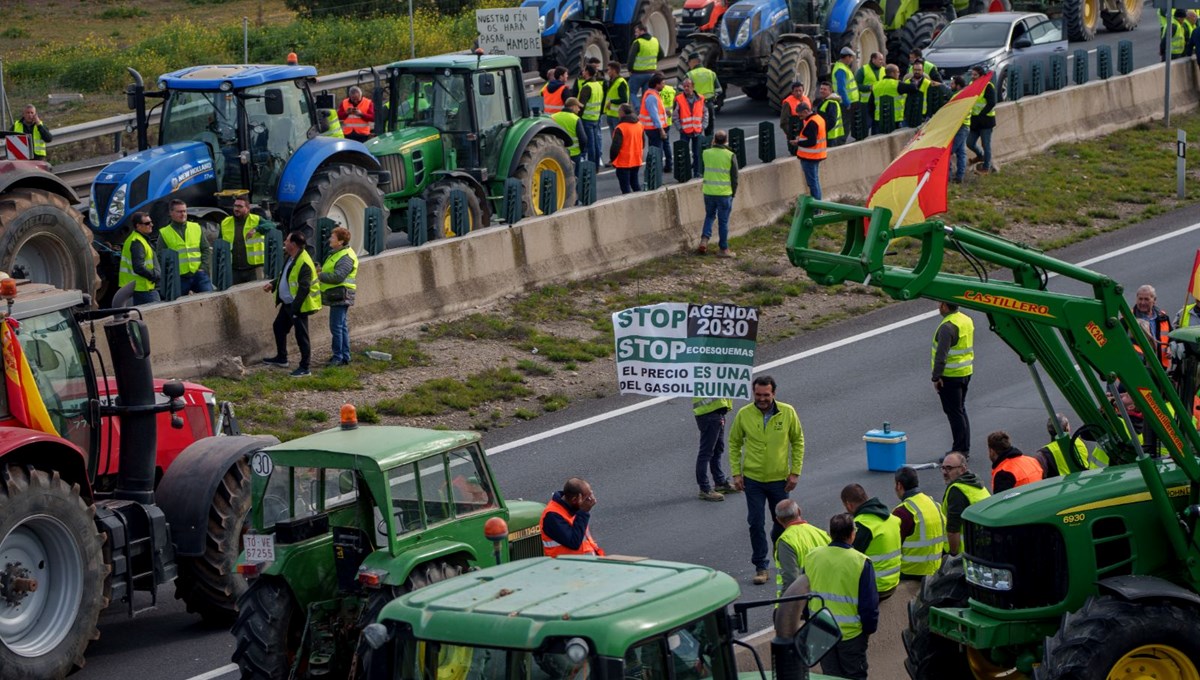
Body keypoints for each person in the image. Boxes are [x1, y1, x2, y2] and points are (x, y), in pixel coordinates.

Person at [729, 375, 805, 585]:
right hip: (753, 480)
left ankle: (783, 561)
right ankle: (761, 566)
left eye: (766, 395)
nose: (761, 399)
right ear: (753, 393)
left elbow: (798, 441)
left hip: (780, 480)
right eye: (758, 395)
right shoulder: (744, 414)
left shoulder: (787, 412)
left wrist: (795, 472)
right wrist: (736, 473)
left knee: (781, 525)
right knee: (755, 522)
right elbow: (734, 443)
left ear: (774, 393)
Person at [806, 513, 878, 680]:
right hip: (851, 635)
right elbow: (869, 604)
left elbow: (804, 594)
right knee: (855, 675)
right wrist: (869, 630)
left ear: (830, 533)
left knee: (831, 676)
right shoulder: (861, 562)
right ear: (853, 534)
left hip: (821, 630)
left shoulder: (812, 556)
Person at [262, 230, 321, 377]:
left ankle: (305, 367)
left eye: (287, 240)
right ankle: (282, 358)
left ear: (293, 244)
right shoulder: (291, 257)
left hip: (299, 306)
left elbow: (304, 287)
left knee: (302, 336)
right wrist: (274, 284)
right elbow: (286, 276)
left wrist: (295, 308)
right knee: (278, 327)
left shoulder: (304, 262)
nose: (284, 242)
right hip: (289, 303)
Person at [841, 483, 901, 600]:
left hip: (876, 588)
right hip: (893, 582)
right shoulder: (891, 518)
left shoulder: (862, 525)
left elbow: (848, 556)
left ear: (849, 505)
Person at [933, 301, 974, 456]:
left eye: (940, 304)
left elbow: (941, 355)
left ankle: (960, 450)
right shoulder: (966, 319)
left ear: (944, 306)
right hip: (965, 372)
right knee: (960, 410)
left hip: (950, 376)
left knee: (954, 413)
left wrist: (936, 377)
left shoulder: (947, 327)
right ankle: (963, 447)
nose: (938, 307)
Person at [892, 466, 946, 578]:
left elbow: (893, 545)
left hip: (911, 571)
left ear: (899, 485)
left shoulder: (903, 511)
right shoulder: (934, 504)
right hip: (935, 568)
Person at [318, 226, 358, 367]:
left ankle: (338, 357)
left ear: (340, 241)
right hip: (339, 294)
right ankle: (344, 356)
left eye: (333, 237)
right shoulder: (337, 253)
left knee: (336, 327)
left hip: (341, 295)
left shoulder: (345, 257)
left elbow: (338, 276)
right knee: (341, 327)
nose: (330, 239)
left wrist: (320, 275)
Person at [773, 499, 830, 597]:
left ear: (778, 519)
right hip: (825, 595)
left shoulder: (786, 541)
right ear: (799, 511)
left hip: (802, 601)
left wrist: (782, 607)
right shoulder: (822, 533)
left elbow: (790, 579)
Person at [540, 477, 605, 557]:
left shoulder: (574, 508)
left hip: (585, 563)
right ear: (574, 500)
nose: (591, 500)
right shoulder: (552, 516)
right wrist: (583, 512)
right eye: (587, 498)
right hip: (566, 566)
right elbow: (573, 542)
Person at [160, 199, 214, 295]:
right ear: (171, 213)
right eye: (179, 212)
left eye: (184, 211)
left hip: (199, 274)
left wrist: (203, 267)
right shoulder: (164, 233)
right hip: (179, 278)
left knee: (211, 299)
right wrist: (172, 274)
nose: (183, 214)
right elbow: (161, 257)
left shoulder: (196, 227)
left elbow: (205, 249)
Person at [940, 452, 988, 556]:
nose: (944, 472)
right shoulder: (976, 483)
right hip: (984, 544)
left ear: (962, 469)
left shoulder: (957, 491)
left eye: (949, 468)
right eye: (943, 468)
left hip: (966, 551)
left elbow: (953, 529)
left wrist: (953, 554)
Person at [699, 130, 738, 258]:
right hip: (724, 193)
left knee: (709, 216)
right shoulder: (730, 155)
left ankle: (704, 239)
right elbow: (734, 177)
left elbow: (700, 169)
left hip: (708, 191)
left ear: (714, 140)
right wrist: (733, 193)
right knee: (723, 221)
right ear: (726, 141)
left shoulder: (706, 153)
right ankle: (723, 248)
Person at [693, 395, 736, 501]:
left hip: (717, 411)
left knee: (718, 449)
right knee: (706, 452)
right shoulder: (704, 377)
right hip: (708, 413)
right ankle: (705, 489)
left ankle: (720, 482)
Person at [220, 196, 265, 285]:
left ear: (247, 209)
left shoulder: (256, 219)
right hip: (234, 270)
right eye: (235, 206)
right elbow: (219, 242)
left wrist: (256, 229)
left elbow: (271, 225)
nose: (236, 209)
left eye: (240, 206)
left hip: (253, 269)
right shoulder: (225, 222)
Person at [119, 211, 160, 305]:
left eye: (151, 222)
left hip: (137, 287)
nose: (151, 225)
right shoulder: (137, 242)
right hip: (143, 288)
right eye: (147, 223)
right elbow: (138, 267)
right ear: (138, 226)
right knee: (156, 314)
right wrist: (155, 275)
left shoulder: (137, 239)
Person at [1034, 413, 1090, 478]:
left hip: (1063, 485)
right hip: (1084, 479)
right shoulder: (1078, 442)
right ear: (1067, 428)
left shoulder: (1043, 453)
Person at [673, 78, 708, 176]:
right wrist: (680, 128)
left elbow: (705, 113)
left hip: (697, 130)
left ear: (693, 86)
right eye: (684, 86)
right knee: (684, 153)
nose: (686, 88)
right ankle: (685, 174)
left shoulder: (701, 98)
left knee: (697, 153)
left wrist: (703, 126)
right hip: (685, 131)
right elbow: (675, 115)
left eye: (688, 86)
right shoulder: (679, 99)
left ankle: (697, 172)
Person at [1133, 284, 1172, 370]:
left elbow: (1171, 337)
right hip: (1139, 368)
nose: (1142, 302)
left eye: (1146, 299)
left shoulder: (1163, 317)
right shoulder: (1129, 318)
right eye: (1140, 299)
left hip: (1160, 368)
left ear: (1154, 300)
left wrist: (1170, 347)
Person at [967, 65, 997, 174]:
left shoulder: (988, 86)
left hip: (986, 121)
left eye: (975, 75)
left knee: (986, 145)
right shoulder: (971, 84)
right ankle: (980, 156)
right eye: (972, 74)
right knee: (970, 142)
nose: (973, 77)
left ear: (981, 75)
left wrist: (981, 113)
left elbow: (992, 103)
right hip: (975, 121)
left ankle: (986, 167)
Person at [639, 72, 671, 173]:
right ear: (656, 84)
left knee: (655, 150)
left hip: (652, 128)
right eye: (662, 83)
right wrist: (661, 130)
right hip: (654, 129)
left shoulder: (653, 94)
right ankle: (656, 171)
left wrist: (665, 112)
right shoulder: (652, 97)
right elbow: (654, 115)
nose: (664, 85)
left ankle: (654, 169)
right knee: (657, 151)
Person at [793, 102, 826, 201]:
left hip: (810, 157)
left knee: (813, 183)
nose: (799, 117)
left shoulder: (812, 122)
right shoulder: (817, 118)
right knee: (815, 181)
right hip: (816, 155)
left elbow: (811, 141)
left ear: (806, 111)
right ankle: (818, 206)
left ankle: (816, 208)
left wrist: (797, 143)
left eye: (800, 114)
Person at [627, 23, 664, 108]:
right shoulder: (655, 40)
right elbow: (662, 54)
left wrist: (630, 69)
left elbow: (631, 58)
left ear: (642, 31)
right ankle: (644, 111)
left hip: (638, 73)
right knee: (646, 94)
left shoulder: (637, 42)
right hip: (651, 73)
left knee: (631, 92)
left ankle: (638, 107)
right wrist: (654, 61)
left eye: (637, 32)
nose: (635, 34)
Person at [610, 103, 644, 194]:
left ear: (622, 113)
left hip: (623, 162)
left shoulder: (620, 128)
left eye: (619, 112)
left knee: (625, 188)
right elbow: (643, 142)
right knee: (635, 184)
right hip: (636, 159)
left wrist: (612, 160)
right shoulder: (639, 125)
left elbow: (615, 147)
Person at [686, 53, 722, 137]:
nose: (688, 65)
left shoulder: (690, 75)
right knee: (709, 131)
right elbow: (719, 90)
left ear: (693, 62)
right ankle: (709, 148)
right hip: (709, 104)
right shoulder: (711, 73)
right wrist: (713, 98)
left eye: (688, 62)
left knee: (697, 131)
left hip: (696, 106)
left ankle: (699, 149)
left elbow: (681, 91)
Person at [576, 65, 605, 167]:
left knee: (590, 144)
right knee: (596, 143)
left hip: (586, 118)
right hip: (595, 118)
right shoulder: (598, 85)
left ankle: (592, 166)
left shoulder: (587, 87)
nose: (582, 73)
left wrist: (577, 116)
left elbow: (581, 105)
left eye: (584, 71)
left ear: (587, 72)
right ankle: (596, 164)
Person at [551, 97, 587, 172]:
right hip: (574, 154)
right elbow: (583, 139)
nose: (579, 109)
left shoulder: (553, 117)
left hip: (558, 153)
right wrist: (582, 151)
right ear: (573, 107)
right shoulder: (575, 119)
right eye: (578, 107)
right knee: (575, 177)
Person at [868, 64, 905, 132]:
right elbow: (913, 88)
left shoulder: (876, 85)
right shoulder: (898, 84)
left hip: (878, 119)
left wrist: (874, 117)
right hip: (895, 119)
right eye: (897, 72)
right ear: (892, 73)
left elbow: (870, 104)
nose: (899, 74)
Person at [857, 52, 886, 134]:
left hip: (879, 103)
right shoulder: (863, 70)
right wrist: (869, 88)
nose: (882, 61)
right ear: (873, 60)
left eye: (882, 59)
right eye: (880, 59)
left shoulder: (884, 70)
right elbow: (856, 85)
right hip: (866, 103)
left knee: (877, 127)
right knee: (865, 127)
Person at [779, 81, 812, 154]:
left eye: (800, 90)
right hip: (795, 135)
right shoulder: (788, 103)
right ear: (792, 92)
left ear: (803, 91)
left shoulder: (807, 100)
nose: (798, 93)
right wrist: (791, 136)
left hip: (807, 135)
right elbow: (784, 122)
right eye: (796, 91)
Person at [831, 47, 859, 132]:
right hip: (846, 103)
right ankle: (841, 143)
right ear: (846, 57)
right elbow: (841, 89)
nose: (852, 60)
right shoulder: (841, 70)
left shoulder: (842, 67)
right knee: (845, 127)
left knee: (846, 126)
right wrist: (847, 103)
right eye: (851, 57)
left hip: (848, 101)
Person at [949, 76, 970, 184]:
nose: (950, 85)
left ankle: (947, 176)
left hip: (960, 127)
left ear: (958, 86)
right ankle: (959, 176)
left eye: (952, 84)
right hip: (965, 126)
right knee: (961, 153)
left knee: (948, 153)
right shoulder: (968, 94)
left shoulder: (959, 96)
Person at [602, 61, 629, 140]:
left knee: (618, 138)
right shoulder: (611, 81)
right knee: (614, 138)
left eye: (609, 70)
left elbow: (624, 99)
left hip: (617, 115)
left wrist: (611, 102)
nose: (608, 72)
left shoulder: (620, 82)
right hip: (610, 113)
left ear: (614, 70)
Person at [815, 81, 844, 148]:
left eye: (825, 89)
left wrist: (823, 130)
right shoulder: (826, 101)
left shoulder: (831, 103)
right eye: (821, 89)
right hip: (830, 135)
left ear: (830, 91)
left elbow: (832, 121)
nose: (822, 91)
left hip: (830, 137)